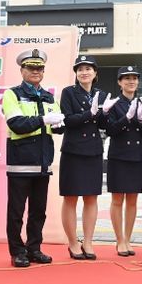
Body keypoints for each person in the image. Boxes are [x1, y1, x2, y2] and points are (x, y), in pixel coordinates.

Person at [2, 49, 65, 267]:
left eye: (39, 68)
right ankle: (17, 251)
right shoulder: (12, 94)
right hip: (21, 161)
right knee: (16, 212)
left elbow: (56, 127)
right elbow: (16, 124)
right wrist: (44, 119)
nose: (35, 71)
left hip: (43, 162)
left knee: (38, 211)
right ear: (22, 70)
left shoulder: (48, 96)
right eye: (30, 68)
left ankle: (34, 248)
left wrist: (60, 124)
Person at [59, 55, 109, 260]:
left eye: (88, 69)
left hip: (93, 150)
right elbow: (68, 120)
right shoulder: (69, 92)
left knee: (91, 197)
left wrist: (106, 113)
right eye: (80, 69)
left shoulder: (101, 94)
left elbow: (104, 125)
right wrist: (91, 113)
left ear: (95, 73)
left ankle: (88, 241)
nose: (84, 72)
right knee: (70, 197)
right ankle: (73, 242)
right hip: (73, 150)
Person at [106, 66, 142, 256]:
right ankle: (119, 240)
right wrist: (126, 118)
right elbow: (110, 130)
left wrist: (141, 120)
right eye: (126, 78)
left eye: (134, 78)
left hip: (136, 155)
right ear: (120, 82)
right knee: (117, 199)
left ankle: (127, 239)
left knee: (132, 200)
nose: (131, 81)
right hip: (118, 156)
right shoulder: (113, 103)